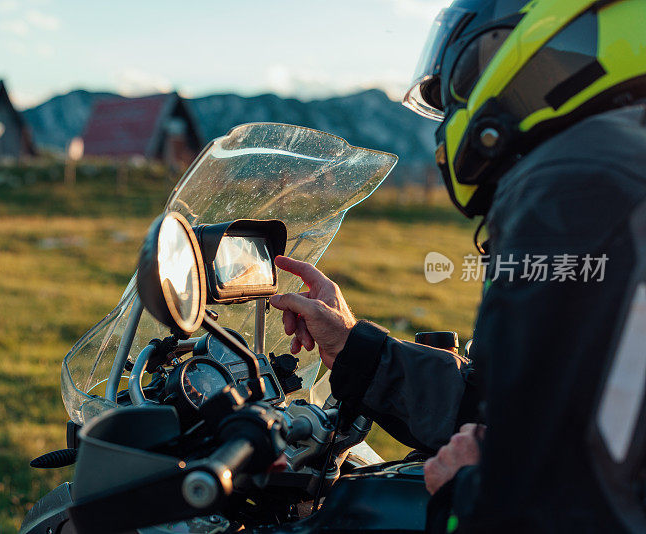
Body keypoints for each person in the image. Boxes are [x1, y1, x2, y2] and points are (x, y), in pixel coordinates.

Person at [269, 0, 646, 531]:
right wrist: (353, 346)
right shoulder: (621, 163)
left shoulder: (585, 180)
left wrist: (465, 492)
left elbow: (568, 506)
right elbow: (511, 410)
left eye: (459, 87)